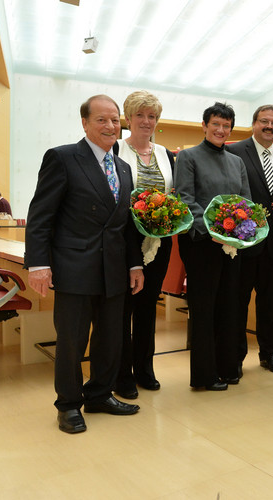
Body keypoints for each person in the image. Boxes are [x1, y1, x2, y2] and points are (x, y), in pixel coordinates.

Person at [24, 94, 144, 434]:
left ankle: (100, 395)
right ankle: (68, 405)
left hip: (115, 269)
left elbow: (126, 224)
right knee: (72, 341)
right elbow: (40, 216)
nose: (110, 126)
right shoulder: (62, 158)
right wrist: (38, 264)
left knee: (111, 339)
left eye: (114, 119)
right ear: (85, 123)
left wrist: (135, 265)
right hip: (74, 266)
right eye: (101, 119)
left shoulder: (122, 166)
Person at [175, 102, 250, 390]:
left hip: (231, 246)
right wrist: (213, 230)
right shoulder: (188, 157)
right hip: (202, 245)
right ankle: (205, 376)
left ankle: (228, 367)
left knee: (230, 308)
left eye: (226, 125)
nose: (221, 130)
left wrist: (240, 232)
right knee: (205, 311)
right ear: (204, 125)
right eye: (216, 124)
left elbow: (245, 201)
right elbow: (185, 199)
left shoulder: (236, 161)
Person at [113, 90, 175, 399]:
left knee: (148, 305)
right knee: (123, 309)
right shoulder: (115, 150)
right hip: (125, 240)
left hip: (159, 241)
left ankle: (145, 369)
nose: (146, 121)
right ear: (128, 118)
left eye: (152, 116)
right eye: (140, 115)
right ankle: (122, 374)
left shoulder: (165, 153)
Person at [228, 105, 273, 375]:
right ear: (254, 124)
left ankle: (269, 354)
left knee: (268, 303)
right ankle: (236, 357)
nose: (270, 126)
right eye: (264, 121)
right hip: (245, 243)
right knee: (238, 302)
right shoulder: (234, 152)